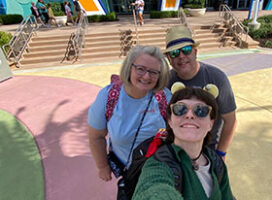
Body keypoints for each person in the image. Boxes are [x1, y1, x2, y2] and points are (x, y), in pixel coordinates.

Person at [133, 86, 234, 199]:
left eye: (200, 110)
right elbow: (153, 190)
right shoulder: (157, 164)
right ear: (170, 121)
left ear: (211, 123)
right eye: (180, 109)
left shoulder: (216, 163)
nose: (189, 115)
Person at [88, 45, 171, 183]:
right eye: (140, 69)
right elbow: (96, 136)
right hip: (128, 171)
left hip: (159, 171)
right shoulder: (108, 97)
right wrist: (102, 166)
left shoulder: (165, 97)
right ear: (129, 67)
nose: (146, 76)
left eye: (153, 72)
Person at [164, 25, 237, 160]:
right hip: (175, 152)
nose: (181, 56)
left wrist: (221, 153)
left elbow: (230, 120)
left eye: (186, 50)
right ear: (169, 58)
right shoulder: (165, 81)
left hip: (208, 151)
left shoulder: (217, 78)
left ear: (195, 52)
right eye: (174, 53)